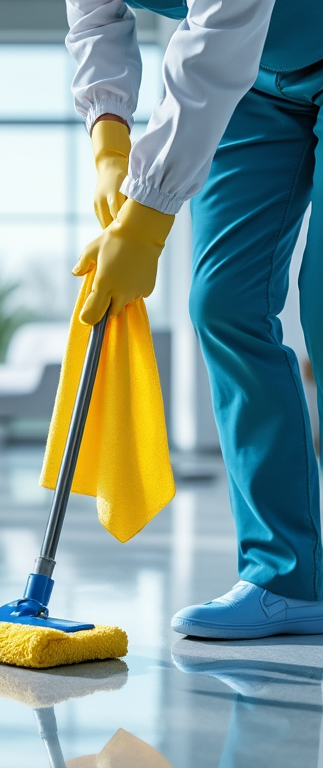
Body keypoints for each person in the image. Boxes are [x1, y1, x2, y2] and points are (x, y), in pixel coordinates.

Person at [67, 0, 323, 638]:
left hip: (235, 51)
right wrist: (109, 139)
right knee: (223, 302)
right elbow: (96, 22)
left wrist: (147, 217)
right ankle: (285, 576)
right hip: (258, 83)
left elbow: (219, 29)